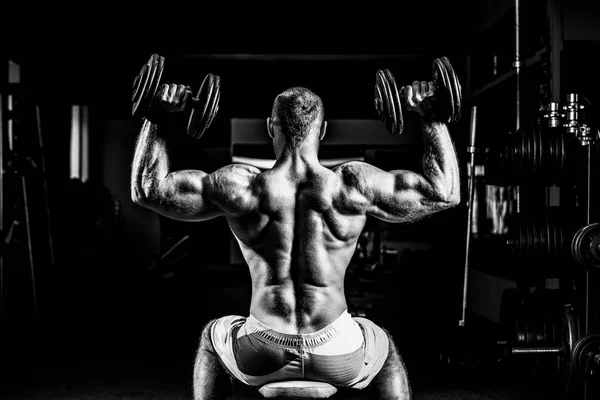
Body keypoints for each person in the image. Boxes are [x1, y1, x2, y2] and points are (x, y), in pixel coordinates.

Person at [130, 80, 460, 400]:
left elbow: (147, 190)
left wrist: (155, 116)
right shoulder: (352, 186)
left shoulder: (240, 187)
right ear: (324, 129)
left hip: (263, 349)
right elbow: (444, 193)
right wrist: (430, 117)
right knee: (384, 348)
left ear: (271, 127)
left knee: (210, 338)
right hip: (337, 349)